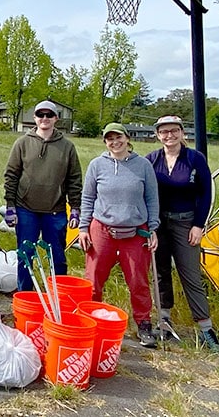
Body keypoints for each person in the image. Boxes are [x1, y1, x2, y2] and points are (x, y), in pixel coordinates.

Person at [145, 115, 219, 355]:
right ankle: (164, 321)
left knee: (190, 274)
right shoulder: (151, 160)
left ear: (182, 133)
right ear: (157, 135)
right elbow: (146, 192)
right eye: (163, 132)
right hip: (159, 223)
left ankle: (206, 329)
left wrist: (198, 225)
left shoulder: (194, 159)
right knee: (160, 272)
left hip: (186, 223)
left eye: (173, 131)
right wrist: (149, 226)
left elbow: (205, 193)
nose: (169, 136)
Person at [78, 123, 160, 348]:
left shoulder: (143, 166)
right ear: (105, 142)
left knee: (138, 280)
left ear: (127, 138)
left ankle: (144, 324)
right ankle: (89, 320)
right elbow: (87, 198)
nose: (115, 142)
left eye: (118, 137)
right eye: (109, 139)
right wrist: (83, 228)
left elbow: (152, 199)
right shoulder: (97, 165)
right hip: (102, 229)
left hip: (135, 231)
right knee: (93, 280)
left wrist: (153, 229)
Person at [4, 100, 83, 292]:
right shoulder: (22, 143)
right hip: (25, 210)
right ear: (35, 118)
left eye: (49, 115)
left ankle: (58, 296)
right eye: (41, 115)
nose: (45, 119)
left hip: (55, 211)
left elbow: (74, 179)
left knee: (57, 257)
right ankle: (25, 296)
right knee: (25, 255)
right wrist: (10, 205)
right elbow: (11, 175)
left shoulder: (67, 147)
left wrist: (75, 208)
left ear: (56, 118)